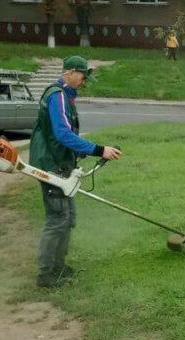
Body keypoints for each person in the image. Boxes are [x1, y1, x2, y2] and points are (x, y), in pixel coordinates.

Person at [28, 56, 122, 288]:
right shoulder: (57, 96)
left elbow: (62, 136)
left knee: (68, 219)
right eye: (81, 76)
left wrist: (78, 153)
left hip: (61, 164)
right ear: (69, 72)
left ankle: (58, 267)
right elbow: (62, 134)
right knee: (58, 219)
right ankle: (45, 274)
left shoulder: (64, 96)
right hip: (51, 167)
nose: (83, 81)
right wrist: (98, 150)